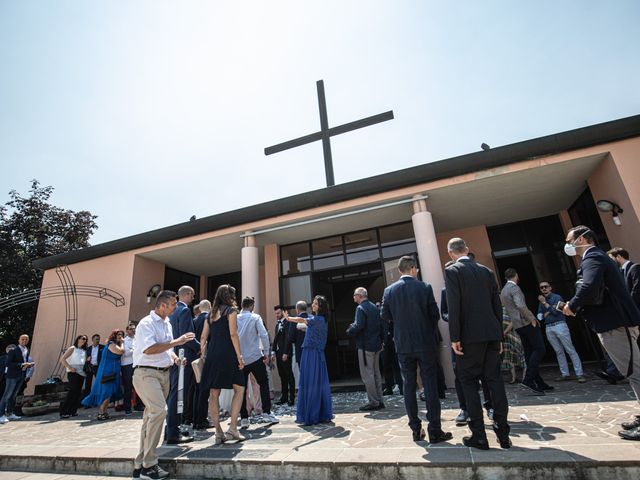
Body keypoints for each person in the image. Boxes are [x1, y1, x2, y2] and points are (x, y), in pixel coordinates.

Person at [561, 226, 640, 441]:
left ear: (583, 239)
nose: (568, 245)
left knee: (634, 371)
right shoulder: (597, 257)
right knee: (632, 371)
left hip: (615, 324)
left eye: (570, 240)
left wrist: (572, 306)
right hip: (616, 323)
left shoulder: (592, 258)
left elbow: (588, 286)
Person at [445, 238, 511, 450]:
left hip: (468, 337)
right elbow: (496, 306)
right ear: (467, 249)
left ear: (450, 253)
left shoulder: (453, 272)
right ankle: (503, 434)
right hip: (491, 334)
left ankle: (479, 435)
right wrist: (499, 335)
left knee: (468, 382)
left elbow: (454, 307)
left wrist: (454, 338)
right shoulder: (486, 271)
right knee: (495, 382)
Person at [380, 256, 451, 444]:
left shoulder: (389, 291)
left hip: (403, 344)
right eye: (416, 269)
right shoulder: (424, 287)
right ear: (412, 269)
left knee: (408, 386)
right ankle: (435, 429)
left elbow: (385, 315)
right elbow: (434, 315)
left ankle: (415, 428)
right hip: (425, 342)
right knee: (430, 385)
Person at [132, 290, 195, 480]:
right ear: (162, 305)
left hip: (164, 373)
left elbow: (167, 348)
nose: (175, 307)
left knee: (150, 417)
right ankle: (149, 465)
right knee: (160, 411)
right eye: (173, 304)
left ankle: (140, 465)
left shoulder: (166, 322)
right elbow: (150, 349)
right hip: (146, 373)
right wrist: (178, 341)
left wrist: (175, 358)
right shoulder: (146, 323)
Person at [199, 284, 246, 443]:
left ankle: (218, 432)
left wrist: (204, 355)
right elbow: (233, 334)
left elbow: (203, 338)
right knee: (239, 388)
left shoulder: (210, 315)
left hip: (213, 355)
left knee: (214, 393)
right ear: (229, 296)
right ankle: (233, 428)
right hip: (228, 354)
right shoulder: (231, 311)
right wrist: (240, 356)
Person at [284, 295, 333, 425]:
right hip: (313, 354)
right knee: (315, 382)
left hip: (311, 354)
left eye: (315, 304)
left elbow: (302, 319)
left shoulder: (317, 319)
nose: (313, 305)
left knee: (310, 382)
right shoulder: (319, 319)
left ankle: (312, 413)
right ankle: (318, 412)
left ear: (320, 307)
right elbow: (305, 321)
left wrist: (288, 318)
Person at [501, 268, 551, 395]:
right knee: (540, 349)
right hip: (525, 322)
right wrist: (531, 319)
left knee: (529, 353)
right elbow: (520, 305)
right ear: (516, 276)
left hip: (517, 325)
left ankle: (538, 382)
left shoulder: (504, 291)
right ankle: (528, 379)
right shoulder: (514, 288)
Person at [237, 296, 278, 428]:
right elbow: (264, 335)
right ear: (252, 306)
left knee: (241, 389)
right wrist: (266, 352)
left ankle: (244, 417)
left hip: (241, 359)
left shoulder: (235, 318)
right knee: (263, 383)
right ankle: (266, 412)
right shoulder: (255, 317)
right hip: (255, 357)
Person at [165, 286, 199, 444]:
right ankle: (173, 430)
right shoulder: (184, 311)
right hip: (183, 357)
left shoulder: (172, 312)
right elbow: (188, 337)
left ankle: (172, 429)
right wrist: (202, 349)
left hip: (174, 356)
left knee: (175, 393)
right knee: (178, 395)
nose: (193, 298)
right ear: (186, 295)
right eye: (192, 295)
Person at [537, 281, 585, 382]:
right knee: (558, 351)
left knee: (569, 349)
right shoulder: (541, 302)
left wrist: (545, 305)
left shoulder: (557, 297)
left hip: (559, 324)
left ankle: (579, 374)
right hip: (548, 327)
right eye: (541, 288)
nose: (544, 289)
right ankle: (565, 374)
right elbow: (540, 316)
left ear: (550, 288)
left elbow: (555, 312)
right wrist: (549, 309)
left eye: (546, 287)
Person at [347, 287, 385, 411]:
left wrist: (350, 330)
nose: (353, 297)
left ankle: (373, 402)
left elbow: (359, 326)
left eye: (354, 295)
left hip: (365, 346)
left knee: (367, 375)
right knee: (376, 373)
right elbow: (382, 325)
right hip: (376, 345)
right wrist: (382, 340)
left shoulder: (360, 308)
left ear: (359, 296)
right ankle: (380, 400)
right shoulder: (374, 307)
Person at [81, 329, 125, 420]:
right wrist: (123, 343)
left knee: (109, 393)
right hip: (108, 372)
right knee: (107, 393)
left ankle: (104, 412)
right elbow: (120, 351)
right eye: (118, 335)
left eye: (121, 335)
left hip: (113, 371)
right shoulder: (111, 344)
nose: (120, 336)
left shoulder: (114, 344)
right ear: (114, 336)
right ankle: (101, 413)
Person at [0, 335, 34, 424]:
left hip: (21, 375)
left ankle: (10, 413)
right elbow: (8, 363)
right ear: (19, 340)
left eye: (26, 339)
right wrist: (21, 365)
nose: (24, 340)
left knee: (13, 396)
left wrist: (28, 365)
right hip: (12, 376)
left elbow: (23, 361)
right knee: (6, 396)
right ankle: (1, 415)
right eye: (22, 339)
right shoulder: (13, 351)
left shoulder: (26, 350)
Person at [192, 299, 212, 430]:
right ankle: (201, 420)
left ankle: (193, 418)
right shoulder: (210, 319)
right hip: (206, 357)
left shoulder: (194, 320)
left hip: (195, 357)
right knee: (204, 390)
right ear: (209, 307)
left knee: (195, 390)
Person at [59, 335, 89, 418]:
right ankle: (64, 412)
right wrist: (70, 367)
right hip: (73, 372)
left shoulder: (83, 350)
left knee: (78, 392)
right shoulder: (72, 348)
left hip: (81, 372)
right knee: (72, 391)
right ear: (78, 339)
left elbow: (82, 361)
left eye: (85, 339)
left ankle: (72, 411)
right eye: (83, 338)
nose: (84, 340)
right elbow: (62, 359)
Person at [271, 305, 295, 406]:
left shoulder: (289, 323)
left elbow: (288, 340)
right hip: (278, 353)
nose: (277, 315)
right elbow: (276, 340)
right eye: (276, 313)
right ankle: (284, 397)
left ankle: (292, 398)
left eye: (278, 313)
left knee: (289, 375)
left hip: (286, 353)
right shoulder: (277, 325)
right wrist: (273, 352)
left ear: (284, 312)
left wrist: (286, 353)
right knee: (282, 376)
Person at [501, 310, 526, 384]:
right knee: (510, 356)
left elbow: (513, 322)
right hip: (506, 337)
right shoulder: (500, 309)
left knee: (522, 354)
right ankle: (514, 378)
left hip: (515, 334)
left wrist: (504, 332)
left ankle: (525, 378)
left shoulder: (511, 308)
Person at [121, 324, 137, 415]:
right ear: (127, 330)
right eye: (131, 329)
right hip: (127, 365)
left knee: (138, 386)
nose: (133, 331)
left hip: (136, 364)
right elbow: (126, 353)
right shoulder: (124, 340)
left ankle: (138, 405)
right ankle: (127, 407)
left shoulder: (137, 339)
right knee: (128, 387)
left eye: (134, 329)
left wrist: (133, 349)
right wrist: (135, 350)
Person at [83, 334, 104, 400]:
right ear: (92, 340)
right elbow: (84, 359)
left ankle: (100, 399)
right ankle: (87, 402)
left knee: (100, 383)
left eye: (98, 339)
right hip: (90, 367)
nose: (98, 341)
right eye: (96, 339)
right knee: (88, 384)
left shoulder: (102, 347)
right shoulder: (88, 349)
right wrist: (87, 360)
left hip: (98, 367)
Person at [287, 301, 307, 368]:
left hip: (300, 351)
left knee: (303, 375)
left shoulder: (294, 321)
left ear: (297, 309)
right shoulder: (311, 318)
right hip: (312, 352)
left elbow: (290, 338)